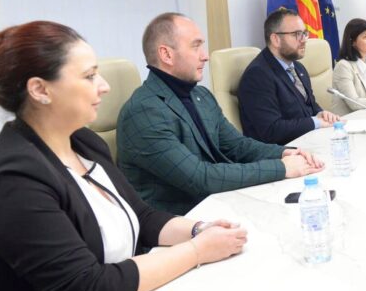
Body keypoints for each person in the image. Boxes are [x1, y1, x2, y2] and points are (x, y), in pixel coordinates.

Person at [0, 21, 248, 291]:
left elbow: (143, 216)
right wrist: (198, 251)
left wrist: (200, 230)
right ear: (40, 89)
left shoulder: (83, 142)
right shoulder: (13, 178)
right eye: (89, 76)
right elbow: (89, 288)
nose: (104, 86)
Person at [117, 13, 322, 215]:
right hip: (181, 220)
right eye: (195, 46)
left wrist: (284, 153)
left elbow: (237, 146)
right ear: (166, 55)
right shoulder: (143, 112)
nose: (205, 56)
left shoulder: (200, 95)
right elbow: (200, 178)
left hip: (219, 204)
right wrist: (281, 168)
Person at [238, 8, 340, 145]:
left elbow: (309, 105)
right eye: (297, 34)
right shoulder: (257, 75)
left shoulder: (298, 67)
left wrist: (321, 114)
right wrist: (315, 122)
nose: (304, 40)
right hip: (281, 152)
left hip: (308, 142)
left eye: (304, 33)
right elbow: (271, 130)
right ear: (275, 39)